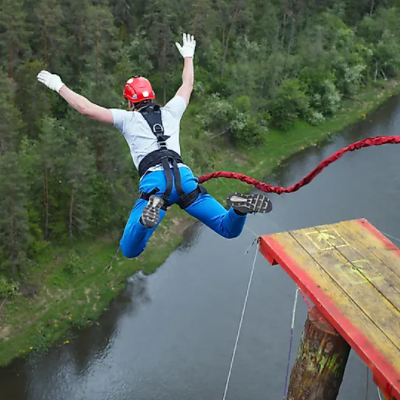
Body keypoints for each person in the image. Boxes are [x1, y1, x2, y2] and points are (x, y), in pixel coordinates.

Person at [37, 33, 272, 258]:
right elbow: (187, 85)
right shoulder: (171, 112)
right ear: (152, 95)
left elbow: (86, 108)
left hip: (155, 185)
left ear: (130, 102)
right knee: (227, 229)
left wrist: (59, 86)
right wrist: (188, 56)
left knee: (130, 249)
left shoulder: (127, 119)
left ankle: (144, 218)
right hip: (184, 179)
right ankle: (239, 209)